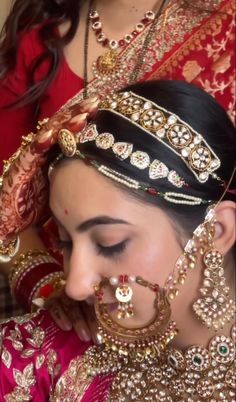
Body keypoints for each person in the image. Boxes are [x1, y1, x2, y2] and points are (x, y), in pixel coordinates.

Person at [0, 0, 235, 324]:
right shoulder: (37, 35)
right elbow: (6, 207)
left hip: (208, 317)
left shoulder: (224, 25)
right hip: (75, 310)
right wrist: (51, 288)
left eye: (113, 242)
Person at [0, 80, 235, 400]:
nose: (76, 286)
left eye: (110, 243)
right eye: (65, 243)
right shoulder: (44, 357)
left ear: (216, 231)